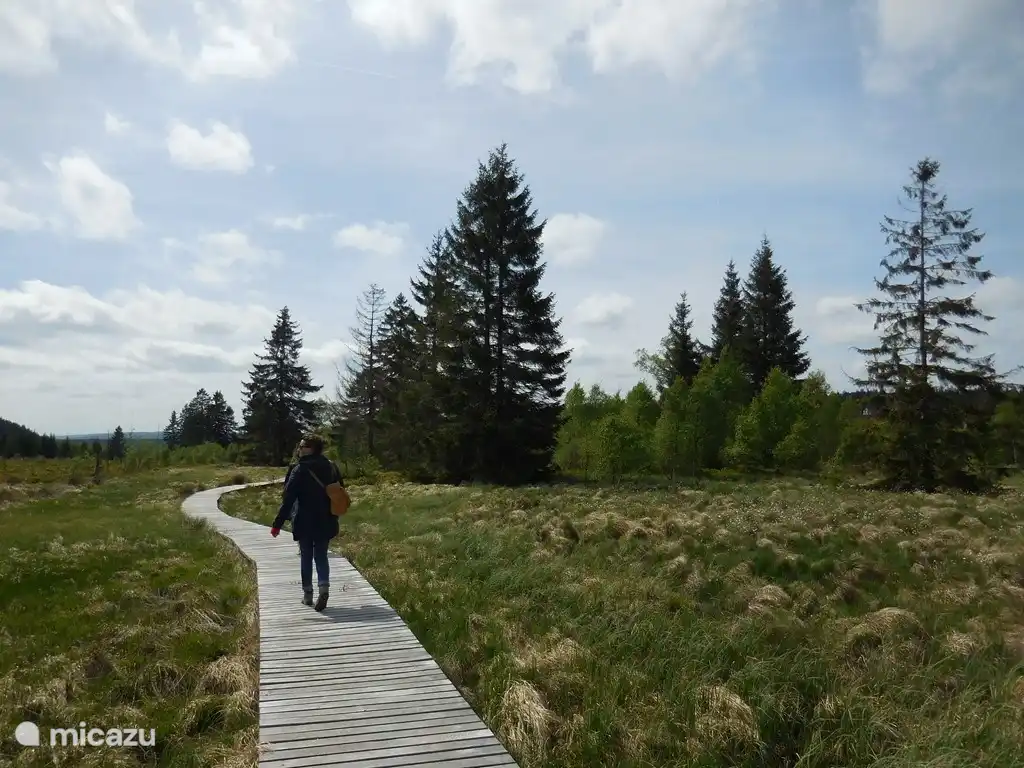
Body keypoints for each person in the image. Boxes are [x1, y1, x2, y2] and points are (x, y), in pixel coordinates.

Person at [270, 435, 344, 610]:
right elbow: (339, 490)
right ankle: (324, 588)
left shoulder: (299, 469)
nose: (299, 449)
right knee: (321, 555)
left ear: (312, 449)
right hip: (326, 518)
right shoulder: (331, 466)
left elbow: (288, 498)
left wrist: (277, 524)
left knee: (306, 556)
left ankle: (308, 595)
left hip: (304, 519)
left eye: (303, 446)